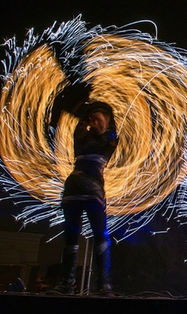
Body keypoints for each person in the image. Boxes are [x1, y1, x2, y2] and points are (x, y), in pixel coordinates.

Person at [53, 101, 119, 295]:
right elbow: (80, 122)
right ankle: (67, 284)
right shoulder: (81, 137)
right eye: (93, 119)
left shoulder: (110, 140)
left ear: (107, 124)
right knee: (71, 238)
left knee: (101, 237)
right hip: (73, 191)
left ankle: (104, 285)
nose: (95, 122)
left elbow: (113, 127)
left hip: (95, 194)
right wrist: (87, 111)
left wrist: (102, 109)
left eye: (100, 120)